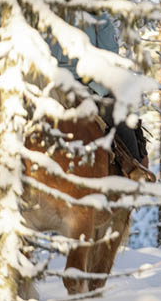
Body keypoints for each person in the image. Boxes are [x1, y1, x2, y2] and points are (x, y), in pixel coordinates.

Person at [49, 12, 154, 182]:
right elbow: (109, 58)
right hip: (86, 86)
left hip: (47, 85)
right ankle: (134, 169)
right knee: (120, 116)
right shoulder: (97, 16)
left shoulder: (37, 6)